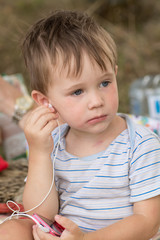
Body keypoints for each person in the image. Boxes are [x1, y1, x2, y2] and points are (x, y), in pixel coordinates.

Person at [0, 10, 160, 240]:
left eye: (104, 83)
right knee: (9, 231)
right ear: (46, 102)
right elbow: (40, 216)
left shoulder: (141, 145)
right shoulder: (53, 143)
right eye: (77, 91)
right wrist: (38, 152)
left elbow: (148, 222)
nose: (96, 101)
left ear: (115, 75)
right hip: (63, 234)